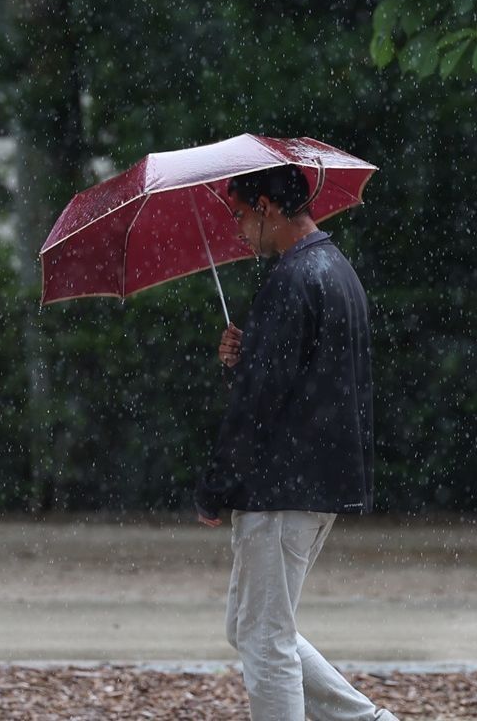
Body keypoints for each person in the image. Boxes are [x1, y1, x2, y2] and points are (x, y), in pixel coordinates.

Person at [195, 163, 396, 721]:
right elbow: (302, 379)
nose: (238, 231)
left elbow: (260, 401)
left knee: (264, 640)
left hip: (282, 487)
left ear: (266, 207)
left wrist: (215, 487)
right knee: (250, 626)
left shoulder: (291, 279)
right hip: (318, 481)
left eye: (240, 215)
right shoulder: (335, 269)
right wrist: (246, 353)